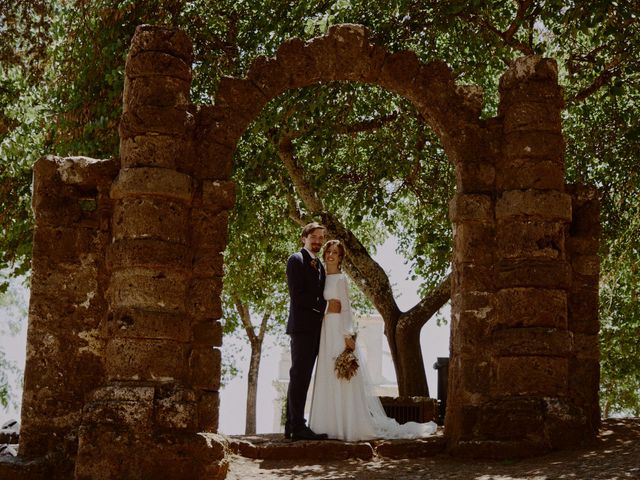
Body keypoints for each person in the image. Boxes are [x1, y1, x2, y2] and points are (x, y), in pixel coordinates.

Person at [309, 239, 438, 442]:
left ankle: (347, 426)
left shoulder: (341, 280)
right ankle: (327, 425)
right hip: (326, 330)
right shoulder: (320, 278)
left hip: (338, 331)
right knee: (327, 373)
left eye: (335, 252)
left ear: (341, 258)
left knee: (341, 376)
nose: (331, 255)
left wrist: (348, 335)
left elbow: (347, 310)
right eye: (329, 252)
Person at [284, 222, 340, 441]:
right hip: (302, 329)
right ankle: (295, 426)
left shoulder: (320, 266)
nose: (317, 241)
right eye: (314, 237)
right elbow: (297, 296)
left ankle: (296, 425)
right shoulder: (296, 260)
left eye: (321, 238)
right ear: (303, 238)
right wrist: (325, 307)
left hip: (318, 330)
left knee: (307, 377)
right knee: (299, 375)